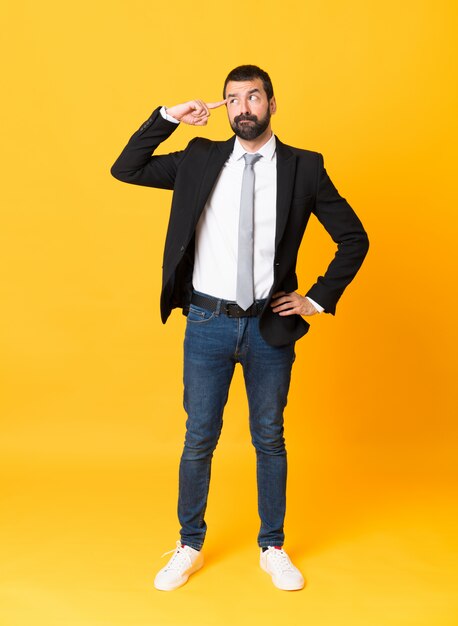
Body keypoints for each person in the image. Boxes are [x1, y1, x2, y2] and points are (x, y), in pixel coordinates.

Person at [110, 64, 369, 592]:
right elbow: (126, 168)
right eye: (233, 99)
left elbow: (354, 238)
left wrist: (316, 299)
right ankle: (189, 545)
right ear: (224, 107)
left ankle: (273, 546)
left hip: (268, 327)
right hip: (206, 321)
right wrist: (168, 117)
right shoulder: (199, 159)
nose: (243, 107)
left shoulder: (304, 167)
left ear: (272, 104)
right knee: (198, 437)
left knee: (269, 437)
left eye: (254, 97)